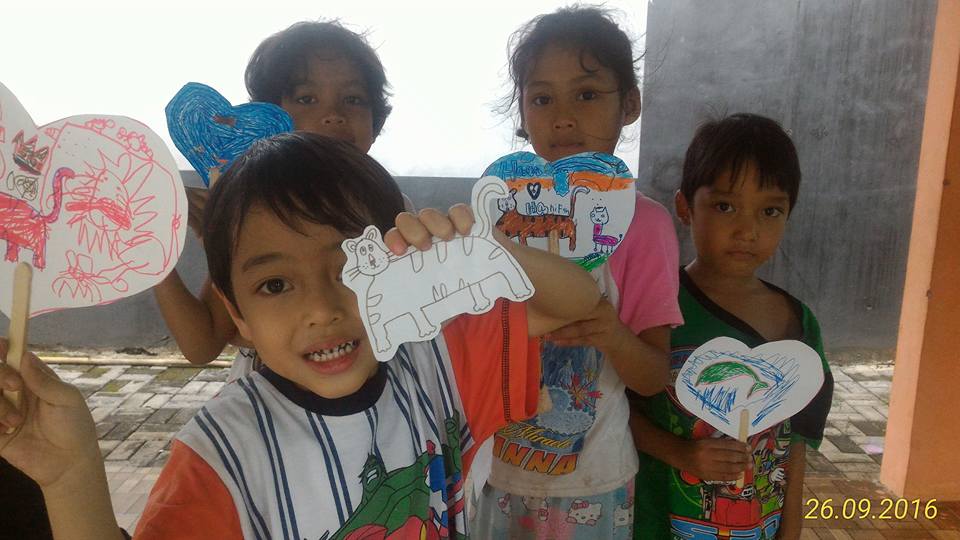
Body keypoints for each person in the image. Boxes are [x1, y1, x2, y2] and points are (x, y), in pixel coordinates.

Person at [0, 132, 602, 539]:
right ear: (237, 315)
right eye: (275, 285)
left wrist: (484, 252)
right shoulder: (221, 455)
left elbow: (577, 301)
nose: (321, 309)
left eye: (350, 269)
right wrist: (72, 477)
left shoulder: (436, 359)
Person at [471, 7, 683, 539]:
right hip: (494, 474)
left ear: (629, 104)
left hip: (595, 485)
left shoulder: (646, 225)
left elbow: (653, 377)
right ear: (523, 113)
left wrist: (611, 333)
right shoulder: (495, 216)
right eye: (542, 99)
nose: (563, 117)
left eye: (586, 94)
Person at [154, 20, 399, 381]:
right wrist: (154, 248)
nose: (334, 114)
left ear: (375, 118)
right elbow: (202, 344)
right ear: (266, 118)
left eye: (353, 99)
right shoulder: (254, 214)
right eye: (306, 99)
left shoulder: (395, 211)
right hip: (272, 403)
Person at [630, 113, 834, 539]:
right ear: (685, 207)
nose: (747, 230)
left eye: (770, 211)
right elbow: (613, 410)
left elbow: (796, 448)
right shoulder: (654, 304)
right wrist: (682, 454)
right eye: (725, 206)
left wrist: (789, 532)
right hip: (656, 524)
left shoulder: (797, 323)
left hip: (758, 525)